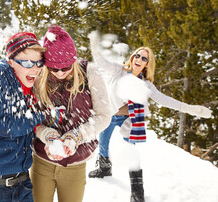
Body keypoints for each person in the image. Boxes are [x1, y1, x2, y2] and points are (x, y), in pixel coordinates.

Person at [88, 40, 212, 202]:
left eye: (144, 58)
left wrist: (190, 108)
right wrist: (95, 47)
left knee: (131, 152)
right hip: (109, 115)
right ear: (132, 58)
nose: (139, 59)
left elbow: (165, 100)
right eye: (137, 55)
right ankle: (104, 168)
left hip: (128, 119)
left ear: (147, 64)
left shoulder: (145, 84)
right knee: (103, 143)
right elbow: (101, 62)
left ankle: (137, 191)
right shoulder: (118, 70)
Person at [31, 24, 111, 202]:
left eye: (65, 67)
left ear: (73, 60)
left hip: (75, 163)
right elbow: (33, 118)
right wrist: (48, 135)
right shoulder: (39, 78)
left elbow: (104, 116)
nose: (59, 73)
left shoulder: (90, 73)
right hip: (42, 161)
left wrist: (76, 136)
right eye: (53, 68)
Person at [0, 32, 46, 202]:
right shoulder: (1, 74)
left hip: (22, 182)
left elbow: (27, 125)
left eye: (38, 63)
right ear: (10, 61)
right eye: (27, 63)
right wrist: (42, 116)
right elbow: (5, 125)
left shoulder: (27, 85)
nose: (34, 68)